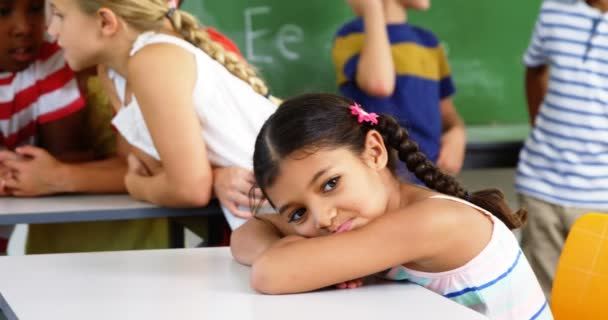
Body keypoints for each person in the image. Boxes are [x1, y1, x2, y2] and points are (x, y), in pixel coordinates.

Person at [231, 93, 552, 319]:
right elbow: (246, 235)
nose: (324, 218)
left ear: (374, 152)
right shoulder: (355, 219)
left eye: (330, 184)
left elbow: (269, 273)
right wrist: (299, 253)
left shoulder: (432, 222)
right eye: (297, 213)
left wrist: (303, 258)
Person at [46, 0, 276, 230]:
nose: (51, 30)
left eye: (59, 15)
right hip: (260, 218)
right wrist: (202, 180)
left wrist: (136, 186)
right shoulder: (111, 75)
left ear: (106, 22)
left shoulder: (153, 61)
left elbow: (188, 189)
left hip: (292, 206)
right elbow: (156, 170)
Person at [516, 0, 608, 300]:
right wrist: (540, 128)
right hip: (541, 184)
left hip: (599, 193)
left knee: (592, 300)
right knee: (541, 297)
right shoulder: (555, 9)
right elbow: (534, 69)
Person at [331, 0, 466, 178]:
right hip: (380, 175)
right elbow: (379, 84)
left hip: (430, 175)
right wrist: (373, 8)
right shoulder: (350, 36)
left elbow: (447, 113)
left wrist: (458, 132)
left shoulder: (428, 42)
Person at [0, 0, 88, 253]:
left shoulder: (50, 58)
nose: (24, 27)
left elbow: (70, 155)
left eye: (36, 9)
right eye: (3, 12)